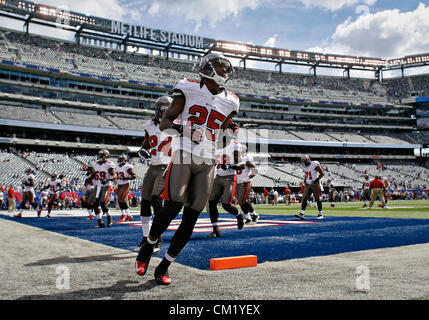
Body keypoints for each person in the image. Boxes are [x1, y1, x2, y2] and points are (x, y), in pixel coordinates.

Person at [135, 53, 239, 285]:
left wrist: (229, 134)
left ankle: (164, 266)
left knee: (191, 218)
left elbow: (223, 135)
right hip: (184, 154)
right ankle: (148, 247)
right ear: (207, 69)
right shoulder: (188, 88)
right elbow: (165, 124)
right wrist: (184, 131)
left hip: (208, 161)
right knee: (173, 205)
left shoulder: (231, 100)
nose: (224, 72)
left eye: (225, 69)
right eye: (220, 68)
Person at [136, 96, 175, 254]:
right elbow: (146, 144)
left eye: (166, 108)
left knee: (156, 201)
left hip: (166, 166)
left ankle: (157, 237)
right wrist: (143, 150)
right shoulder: (150, 125)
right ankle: (146, 238)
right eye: (161, 108)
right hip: (152, 166)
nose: (163, 111)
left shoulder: (177, 124)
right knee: (145, 202)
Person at [207, 137, 244, 238]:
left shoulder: (235, 145)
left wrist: (230, 166)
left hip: (230, 177)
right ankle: (215, 229)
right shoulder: (215, 143)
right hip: (218, 176)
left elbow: (242, 164)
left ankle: (239, 215)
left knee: (226, 205)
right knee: (211, 202)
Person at [88, 149, 117, 228]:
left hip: (106, 185)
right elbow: (94, 174)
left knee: (103, 202)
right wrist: (89, 178)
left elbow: (115, 175)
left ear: (105, 156)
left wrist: (108, 179)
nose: (99, 156)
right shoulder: (96, 163)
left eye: (101, 155)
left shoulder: (109, 164)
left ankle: (109, 217)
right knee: (94, 203)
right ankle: (100, 222)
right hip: (97, 185)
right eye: (99, 154)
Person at [235, 145, 259, 225]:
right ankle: (248, 218)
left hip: (245, 182)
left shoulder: (247, 157)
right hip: (237, 182)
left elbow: (255, 170)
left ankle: (254, 214)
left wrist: (247, 178)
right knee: (240, 202)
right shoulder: (235, 157)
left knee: (243, 200)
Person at [295, 155, 324, 220]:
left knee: (318, 199)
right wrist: (305, 180)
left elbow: (322, 173)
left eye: (304, 161)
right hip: (308, 184)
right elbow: (307, 174)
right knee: (304, 198)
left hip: (315, 184)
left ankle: (320, 214)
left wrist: (316, 180)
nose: (303, 163)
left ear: (308, 159)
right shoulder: (305, 166)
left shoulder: (314, 163)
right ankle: (302, 214)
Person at [115, 154, 136, 222]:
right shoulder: (116, 166)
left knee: (121, 199)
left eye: (121, 159)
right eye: (119, 159)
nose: (120, 160)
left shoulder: (127, 166)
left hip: (125, 184)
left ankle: (123, 214)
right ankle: (128, 215)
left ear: (124, 160)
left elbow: (134, 176)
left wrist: (126, 178)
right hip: (119, 184)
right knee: (121, 200)